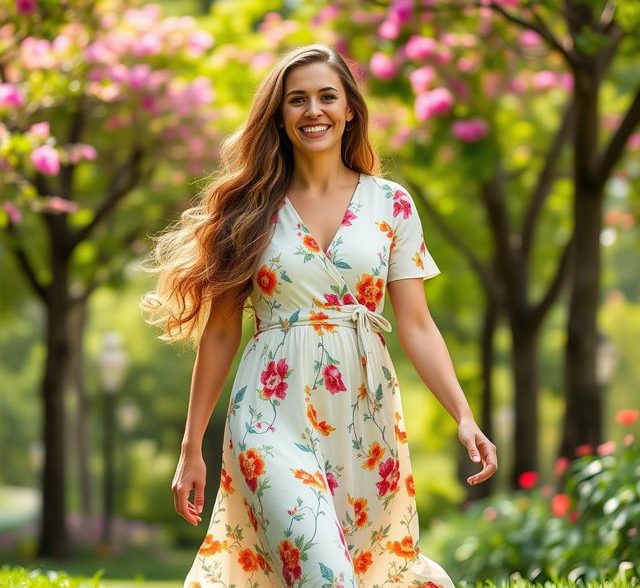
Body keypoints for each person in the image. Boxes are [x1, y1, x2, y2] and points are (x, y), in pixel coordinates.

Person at [139, 43, 497, 588]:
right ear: (279, 117)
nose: (313, 111)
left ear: (350, 109)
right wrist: (192, 449)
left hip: (364, 412)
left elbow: (418, 325)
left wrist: (464, 415)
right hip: (267, 412)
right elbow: (219, 332)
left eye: (327, 97)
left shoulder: (391, 204)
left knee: (357, 567)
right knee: (323, 569)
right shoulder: (250, 208)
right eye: (297, 100)